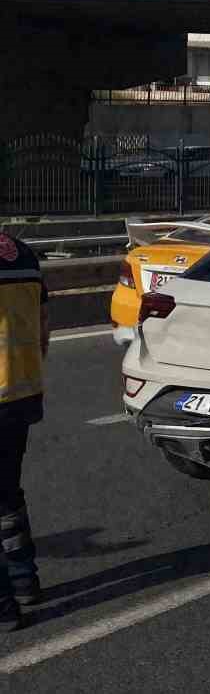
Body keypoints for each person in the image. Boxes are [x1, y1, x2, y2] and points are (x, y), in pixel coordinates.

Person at [0, 231, 48, 631]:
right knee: (6, 493)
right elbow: (43, 327)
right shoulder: (23, 252)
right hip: (22, 389)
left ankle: (4, 605)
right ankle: (24, 580)